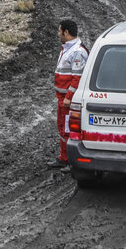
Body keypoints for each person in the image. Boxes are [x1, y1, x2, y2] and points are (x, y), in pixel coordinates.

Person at [48, 19, 88, 170]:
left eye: (59, 31)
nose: (58, 34)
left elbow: (77, 78)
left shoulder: (77, 51)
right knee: (62, 128)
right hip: (62, 98)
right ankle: (63, 157)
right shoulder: (68, 48)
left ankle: (71, 161)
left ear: (66, 32)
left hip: (67, 101)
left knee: (68, 129)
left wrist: (68, 97)